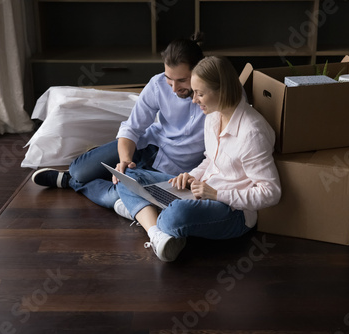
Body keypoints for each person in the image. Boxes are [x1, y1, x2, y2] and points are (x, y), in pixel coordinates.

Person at [116, 56, 282, 262]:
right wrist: (190, 176)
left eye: (200, 93)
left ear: (222, 91)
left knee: (176, 214)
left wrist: (217, 193)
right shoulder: (213, 116)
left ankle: (142, 212)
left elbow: (271, 193)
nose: (194, 100)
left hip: (234, 212)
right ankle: (156, 232)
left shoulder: (252, 133)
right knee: (126, 176)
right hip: (202, 192)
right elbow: (210, 160)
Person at [31, 37, 206, 212]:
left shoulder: (213, 99)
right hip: (146, 146)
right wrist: (125, 160)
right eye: (169, 79)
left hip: (172, 170)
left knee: (122, 197)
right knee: (78, 170)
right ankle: (78, 176)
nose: (174, 88)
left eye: (182, 80)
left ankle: (72, 181)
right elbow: (132, 128)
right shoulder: (158, 84)